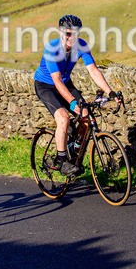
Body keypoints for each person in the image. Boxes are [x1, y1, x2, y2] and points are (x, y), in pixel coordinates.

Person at [34, 14, 122, 176]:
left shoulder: (81, 46)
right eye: (68, 33)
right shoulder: (51, 49)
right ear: (60, 33)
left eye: (75, 33)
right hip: (46, 86)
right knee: (63, 118)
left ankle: (73, 151)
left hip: (65, 83)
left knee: (86, 118)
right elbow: (57, 81)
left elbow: (93, 71)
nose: (71, 37)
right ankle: (61, 161)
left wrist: (110, 92)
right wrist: (73, 103)